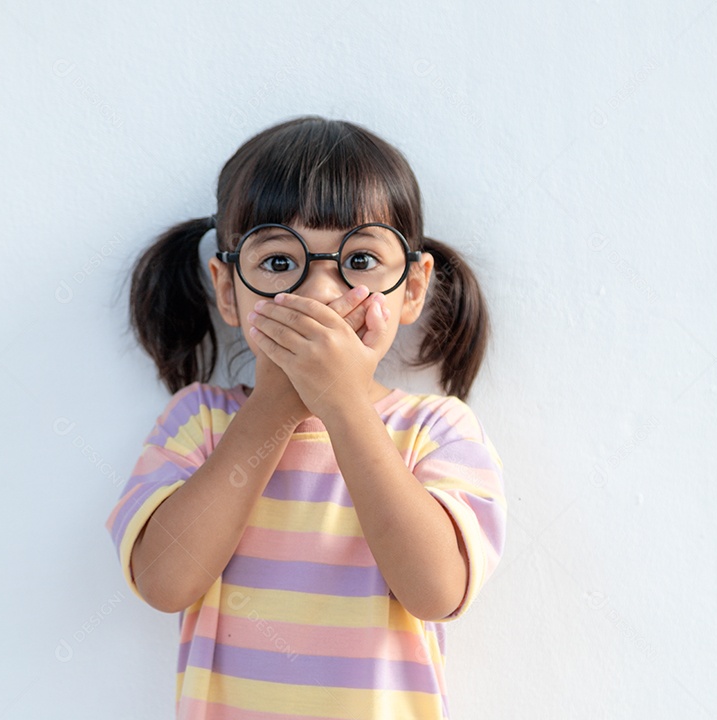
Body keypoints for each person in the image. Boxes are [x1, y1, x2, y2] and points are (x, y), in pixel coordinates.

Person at [105, 115, 507, 719]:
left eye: (361, 259)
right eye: (277, 263)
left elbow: (436, 591)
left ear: (414, 287)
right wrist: (276, 405)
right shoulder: (200, 423)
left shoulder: (435, 431)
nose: (319, 294)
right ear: (226, 287)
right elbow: (164, 582)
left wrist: (342, 404)